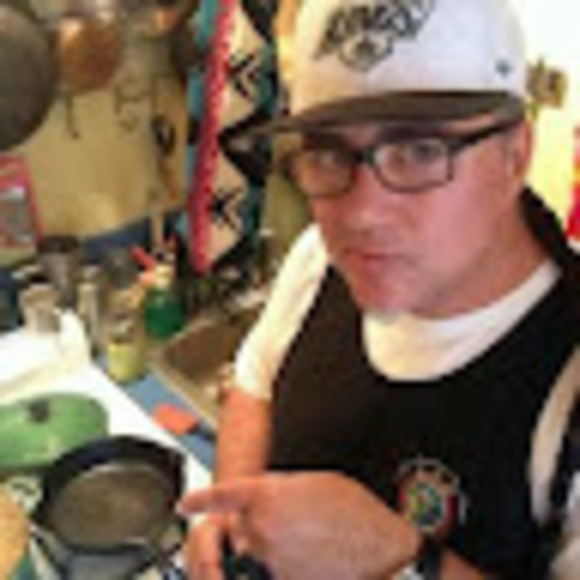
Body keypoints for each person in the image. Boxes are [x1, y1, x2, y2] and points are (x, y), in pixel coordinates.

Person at [180, 0, 580, 578]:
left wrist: (400, 558)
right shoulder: (319, 260)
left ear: (514, 156)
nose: (361, 213)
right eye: (327, 153)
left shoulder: (568, 389)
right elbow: (254, 384)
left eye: (419, 151)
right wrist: (233, 510)